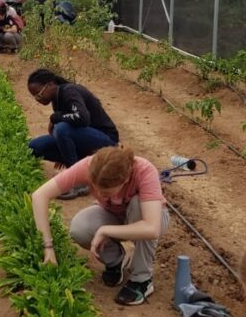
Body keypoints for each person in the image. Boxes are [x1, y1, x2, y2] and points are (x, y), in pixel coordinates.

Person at [32, 146, 169, 306]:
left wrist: (105, 230)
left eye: (106, 192)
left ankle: (142, 278)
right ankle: (116, 261)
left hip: (150, 220)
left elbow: (151, 228)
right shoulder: (90, 166)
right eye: (96, 188)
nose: (99, 193)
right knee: (80, 228)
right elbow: (39, 195)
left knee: (138, 205)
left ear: (125, 180)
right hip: (114, 216)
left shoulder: (144, 171)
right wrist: (48, 248)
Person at [27, 69, 119, 199]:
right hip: (84, 139)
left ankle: (77, 181)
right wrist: (64, 149)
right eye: (35, 96)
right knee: (34, 147)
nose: (38, 99)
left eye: (39, 93)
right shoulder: (57, 98)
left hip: (105, 141)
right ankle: (78, 165)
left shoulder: (69, 91)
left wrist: (56, 117)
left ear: (50, 85)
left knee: (61, 129)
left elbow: (82, 118)